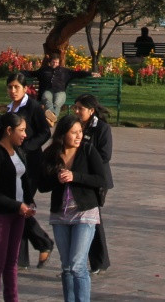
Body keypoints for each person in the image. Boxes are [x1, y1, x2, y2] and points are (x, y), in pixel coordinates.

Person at [39, 114, 113, 302]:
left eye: (80, 132)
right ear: (63, 135)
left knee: (77, 264)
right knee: (66, 266)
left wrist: (76, 176)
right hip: (60, 214)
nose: (79, 136)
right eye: (74, 133)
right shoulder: (51, 154)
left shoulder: (88, 150)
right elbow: (42, 185)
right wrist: (57, 178)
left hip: (85, 212)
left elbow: (101, 180)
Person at [0, 112, 36, 302]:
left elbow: (22, 179)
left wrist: (28, 201)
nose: (25, 134)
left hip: (18, 214)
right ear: (8, 131)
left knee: (12, 263)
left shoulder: (17, 151)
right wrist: (17, 205)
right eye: (21, 130)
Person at [5, 72, 54, 268]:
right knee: (17, 207)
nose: (13, 90)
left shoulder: (32, 107)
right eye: (10, 87)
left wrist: (27, 146)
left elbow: (45, 132)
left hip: (31, 165)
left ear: (25, 88)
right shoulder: (10, 108)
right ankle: (21, 258)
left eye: (17, 87)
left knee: (20, 206)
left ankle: (43, 242)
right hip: (13, 163)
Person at [72, 94, 114, 273]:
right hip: (78, 177)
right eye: (75, 108)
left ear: (91, 110)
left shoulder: (102, 128)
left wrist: (85, 158)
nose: (76, 111)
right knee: (84, 220)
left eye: (80, 108)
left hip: (95, 180)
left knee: (93, 220)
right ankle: (88, 261)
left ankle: (98, 261)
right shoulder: (75, 126)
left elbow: (105, 155)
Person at [37, 52, 72, 118]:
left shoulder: (64, 71)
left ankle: (51, 118)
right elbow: (32, 73)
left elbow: (77, 73)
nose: (55, 64)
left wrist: (90, 74)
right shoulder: (44, 70)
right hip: (48, 90)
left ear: (59, 63)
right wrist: (20, 73)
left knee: (57, 102)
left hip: (60, 91)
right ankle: (53, 118)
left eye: (57, 62)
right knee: (47, 99)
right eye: (53, 62)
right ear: (50, 62)